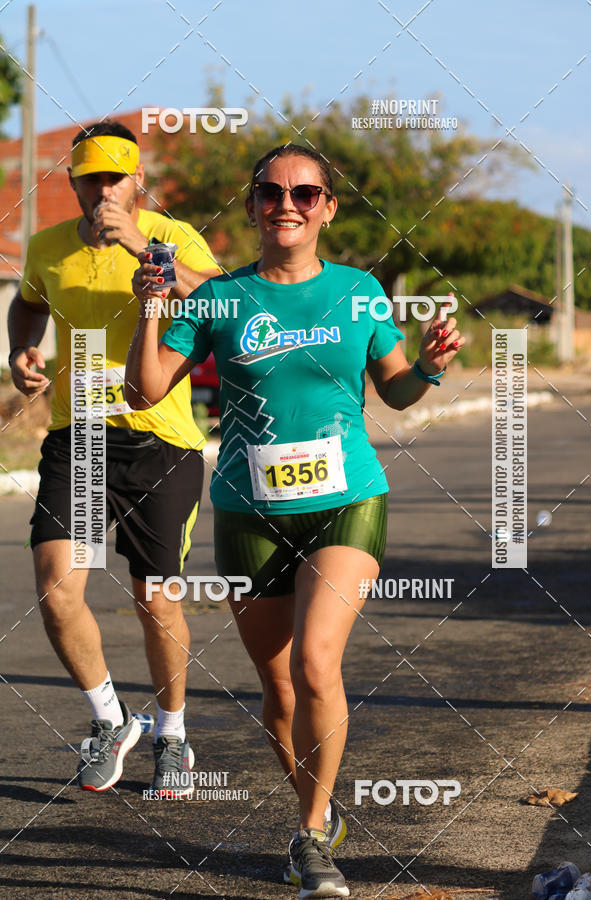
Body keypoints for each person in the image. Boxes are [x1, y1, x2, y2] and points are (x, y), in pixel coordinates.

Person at [125, 144, 465, 898]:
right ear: (250, 207)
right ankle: (320, 805)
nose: (288, 204)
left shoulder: (360, 293)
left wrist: (433, 365)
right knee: (279, 692)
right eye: (272, 192)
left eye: (306, 194)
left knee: (317, 663)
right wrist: (151, 311)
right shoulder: (218, 299)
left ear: (328, 209)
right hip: (249, 511)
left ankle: (310, 838)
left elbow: (398, 391)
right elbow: (146, 390)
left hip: (348, 500)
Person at [7, 119, 220, 795]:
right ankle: (110, 718)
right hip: (81, 437)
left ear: (138, 182)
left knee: (155, 600)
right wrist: (22, 353)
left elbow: (223, 306)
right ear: (71, 182)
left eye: (114, 177)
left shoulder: (173, 234)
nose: (102, 189)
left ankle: (173, 733)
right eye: (90, 178)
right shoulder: (46, 247)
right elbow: (27, 304)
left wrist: (140, 243)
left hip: (161, 439)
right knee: (56, 585)